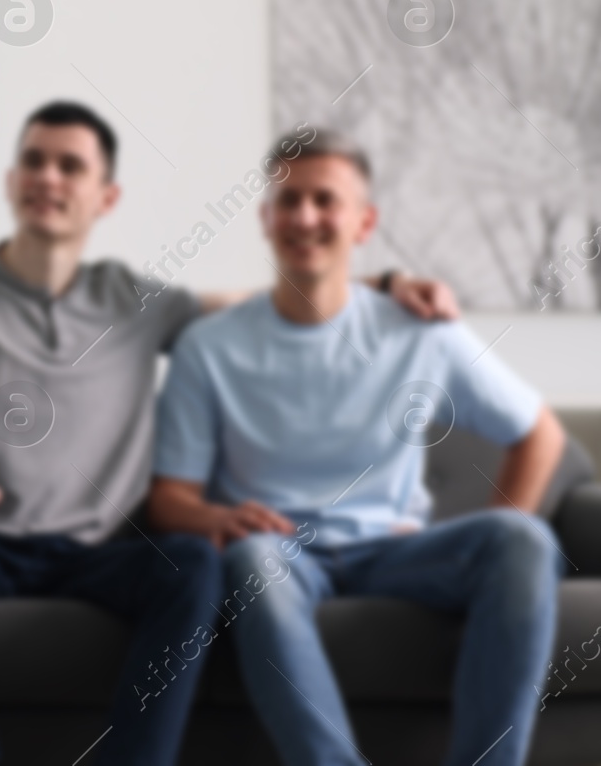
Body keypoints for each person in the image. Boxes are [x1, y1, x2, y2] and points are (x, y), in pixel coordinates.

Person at [0, 102, 456, 766]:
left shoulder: (135, 302)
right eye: (34, 161)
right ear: (10, 182)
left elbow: (262, 307)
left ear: (106, 196)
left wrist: (384, 282)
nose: (49, 177)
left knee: (194, 562)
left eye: (71, 165)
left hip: (98, 554)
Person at [148, 129, 566, 766]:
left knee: (523, 540)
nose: (305, 217)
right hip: (280, 554)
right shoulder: (209, 347)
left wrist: (508, 513)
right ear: (265, 218)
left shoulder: (422, 331)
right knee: (255, 562)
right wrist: (216, 517)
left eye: (326, 201)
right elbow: (169, 499)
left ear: (364, 222)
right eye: (289, 201)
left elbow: (540, 432)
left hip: (395, 550)